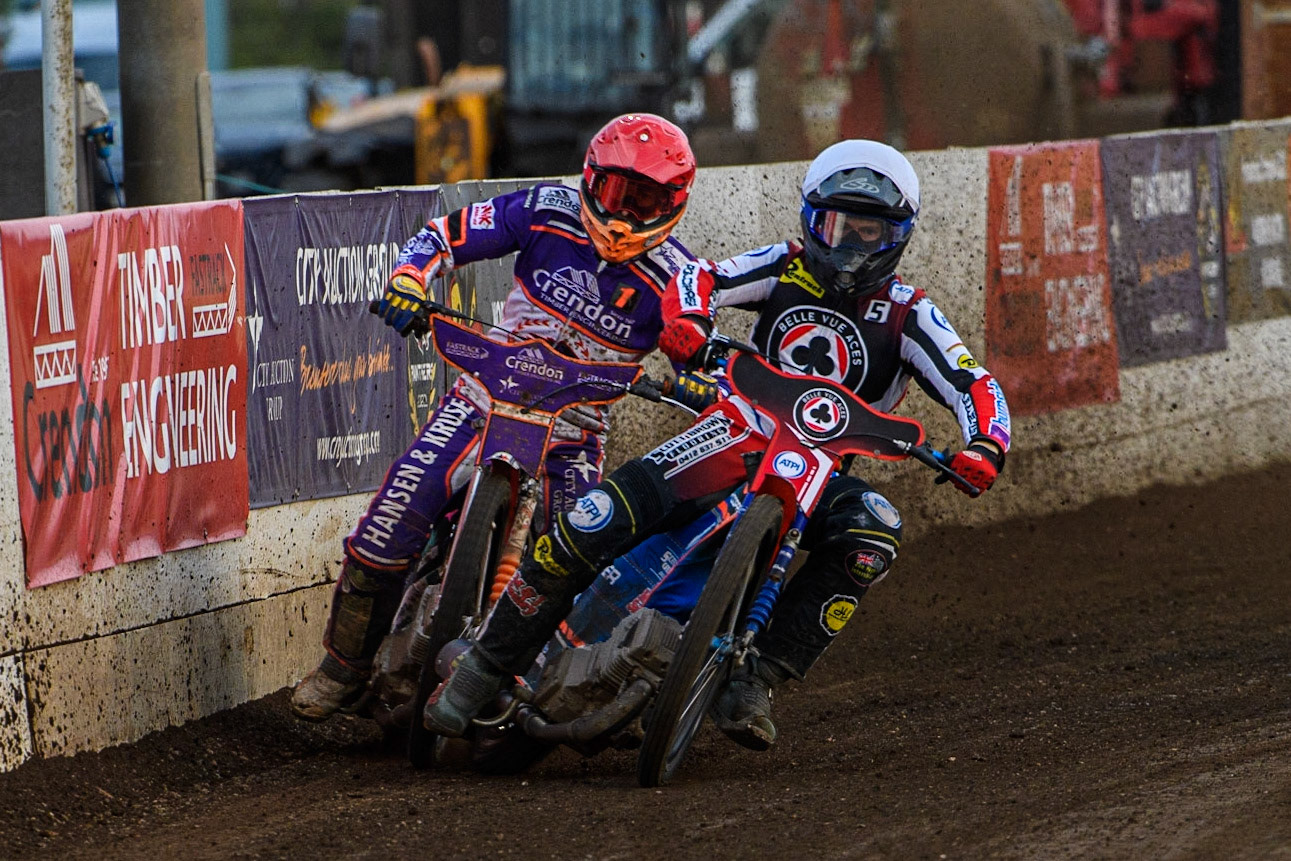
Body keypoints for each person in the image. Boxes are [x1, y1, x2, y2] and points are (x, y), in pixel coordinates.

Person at [423, 139, 1012, 750]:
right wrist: (689, 322)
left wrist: (986, 445)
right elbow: (700, 277)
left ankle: (758, 677)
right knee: (591, 519)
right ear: (811, 219)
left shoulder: (909, 312)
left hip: (822, 470)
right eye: (837, 227)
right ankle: (484, 666)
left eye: (869, 233)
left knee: (874, 531)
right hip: (731, 434)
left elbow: (973, 381)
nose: (850, 247)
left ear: (899, 236)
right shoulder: (784, 266)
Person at [290, 113, 699, 721]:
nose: (626, 215)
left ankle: (534, 697)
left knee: (569, 575)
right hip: (481, 402)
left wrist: (696, 373)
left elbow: (700, 342)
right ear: (591, 180)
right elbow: (443, 236)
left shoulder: (680, 276)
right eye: (618, 194)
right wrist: (408, 280)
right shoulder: (545, 209)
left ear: (675, 204)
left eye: (647, 202)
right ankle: (342, 669)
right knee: (382, 536)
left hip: (574, 436)